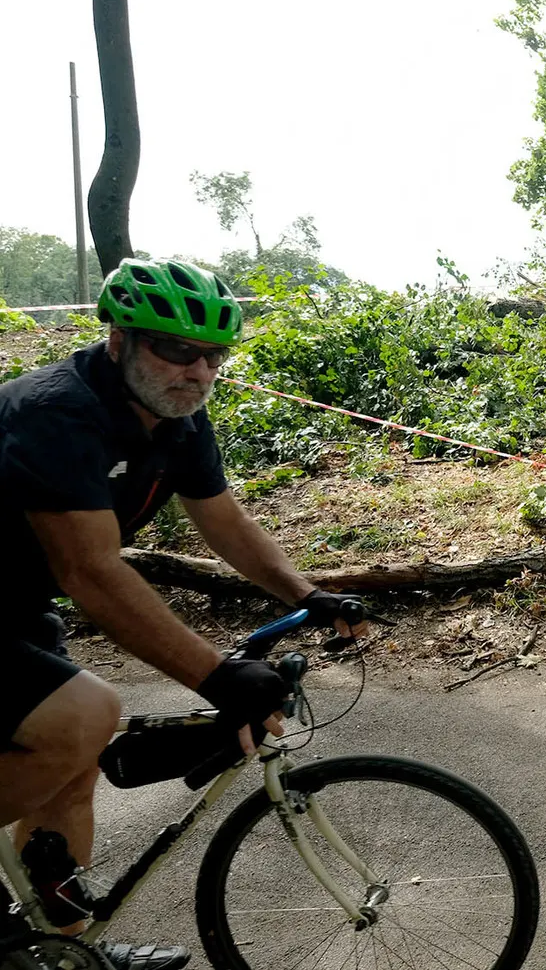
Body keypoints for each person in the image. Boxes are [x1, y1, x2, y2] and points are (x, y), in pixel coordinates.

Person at [0, 258, 368, 970]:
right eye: (176, 349)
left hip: (13, 604)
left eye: (213, 355)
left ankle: (57, 959)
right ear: (121, 340)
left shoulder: (177, 418)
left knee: (73, 765)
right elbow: (92, 573)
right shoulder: (58, 413)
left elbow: (224, 521)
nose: (197, 370)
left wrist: (305, 593)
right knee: (82, 715)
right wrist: (218, 674)